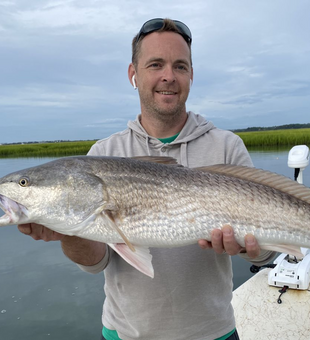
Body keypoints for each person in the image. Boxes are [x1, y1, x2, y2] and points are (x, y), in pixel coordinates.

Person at [18, 18, 276, 340]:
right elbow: (96, 263)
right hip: (125, 334)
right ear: (133, 74)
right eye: (155, 64)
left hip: (214, 334)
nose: (168, 76)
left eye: (180, 66)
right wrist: (68, 230)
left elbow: (266, 254)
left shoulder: (226, 147)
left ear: (191, 76)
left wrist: (250, 250)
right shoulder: (103, 153)